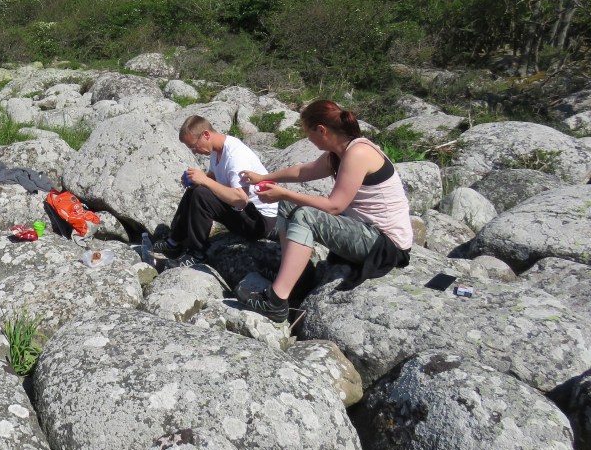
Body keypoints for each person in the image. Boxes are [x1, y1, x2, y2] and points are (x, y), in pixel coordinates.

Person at [237, 100, 413, 323]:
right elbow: (304, 171)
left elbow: (334, 206)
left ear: (322, 130)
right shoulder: (340, 152)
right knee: (289, 206)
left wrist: (284, 193)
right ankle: (296, 278)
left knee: (305, 215)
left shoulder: (358, 153)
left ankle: (276, 302)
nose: (308, 139)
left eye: (308, 133)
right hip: (364, 230)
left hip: (385, 245)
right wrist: (264, 177)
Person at [152, 115, 278, 269]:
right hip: (244, 213)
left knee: (201, 194)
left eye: (194, 146)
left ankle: (197, 253)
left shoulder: (236, 156)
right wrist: (196, 179)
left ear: (206, 135)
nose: (194, 152)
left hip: (259, 221)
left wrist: (204, 180)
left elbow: (241, 199)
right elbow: (213, 177)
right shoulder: (217, 151)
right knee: (195, 189)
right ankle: (174, 241)